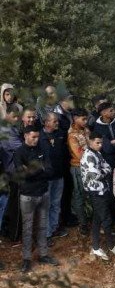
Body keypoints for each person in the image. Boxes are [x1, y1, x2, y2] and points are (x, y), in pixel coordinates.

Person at [14, 126, 58, 273]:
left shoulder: (42, 150)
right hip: (27, 195)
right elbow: (23, 174)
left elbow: (51, 171)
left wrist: (33, 170)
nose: (36, 140)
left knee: (42, 226)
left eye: (37, 137)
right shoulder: (19, 152)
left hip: (44, 193)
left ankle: (43, 254)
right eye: (33, 137)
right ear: (26, 135)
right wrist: (41, 169)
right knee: (27, 228)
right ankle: (26, 259)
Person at [81, 132, 115, 261]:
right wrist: (104, 172)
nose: (100, 145)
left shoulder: (97, 153)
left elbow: (108, 167)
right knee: (106, 218)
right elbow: (97, 175)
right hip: (96, 191)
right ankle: (111, 246)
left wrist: (103, 172)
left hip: (102, 189)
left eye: (101, 143)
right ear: (90, 142)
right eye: (97, 143)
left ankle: (95, 247)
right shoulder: (88, 156)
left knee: (97, 218)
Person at [40, 112, 67, 240]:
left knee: (56, 203)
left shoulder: (60, 134)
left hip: (59, 175)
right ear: (46, 122)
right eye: (54, 121)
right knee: (46, 205)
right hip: (45, 178)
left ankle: (54, 228)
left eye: (57, 121)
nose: (57, 123)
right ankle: (46, 234)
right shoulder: (39, 136)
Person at [67, 108, 90, 234]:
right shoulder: (72, 135)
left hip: (89, 166)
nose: (86, 121)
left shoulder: (86, 130)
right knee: (79, 195)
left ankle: (91, 219)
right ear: (75, 119)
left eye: (86, 118)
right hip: (78, 168)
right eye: (83, 119)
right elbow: (79, 154)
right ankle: (83, 223)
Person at [91, 102, 115, 170]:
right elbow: (107, 148)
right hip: (107, 160)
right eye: (111, 111)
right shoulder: (97, 127)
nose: (114, 112)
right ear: (104, 113)